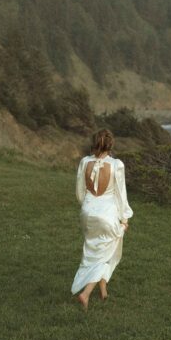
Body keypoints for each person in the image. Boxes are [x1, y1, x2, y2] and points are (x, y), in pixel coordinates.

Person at [72, 129, 133, 309]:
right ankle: (86, 293)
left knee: (94, 249)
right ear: (110, 144)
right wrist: (124, 218)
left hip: (88, 212)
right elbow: (121, 194)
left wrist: (88, 206)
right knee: (107, 253)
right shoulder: (116, 165)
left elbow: (79, 192)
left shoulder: (85, 162)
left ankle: (103, 290)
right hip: (107, 214)